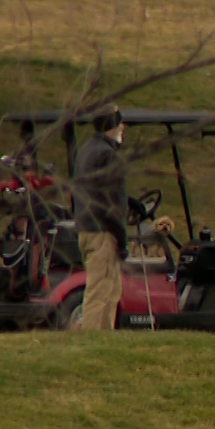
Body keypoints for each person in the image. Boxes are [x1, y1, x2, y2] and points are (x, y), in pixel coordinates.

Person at [70, 104, 129, 332]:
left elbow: (90, 190)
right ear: (111, 127)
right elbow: (113, 202)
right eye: (118, 122)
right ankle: (92, 340)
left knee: (110, 289)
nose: (122, 127)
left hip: (86, 229)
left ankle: (105, 338)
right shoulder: (108, 155)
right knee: (100, 291)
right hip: (103, 231)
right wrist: (122, 240)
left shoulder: (86, 150)